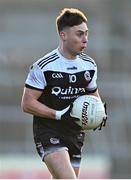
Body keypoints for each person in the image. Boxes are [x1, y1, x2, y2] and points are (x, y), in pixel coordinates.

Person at [21, 8, 107, 179]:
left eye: (86, 34)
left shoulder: (89, 65)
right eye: (79, 34)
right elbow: (27, 103)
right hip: (49, 132)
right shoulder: (44, 66)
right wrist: (59, 114)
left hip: (74, 134)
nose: (85, 39)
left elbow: (93, 96)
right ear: (63, 35)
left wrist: (100, 113)